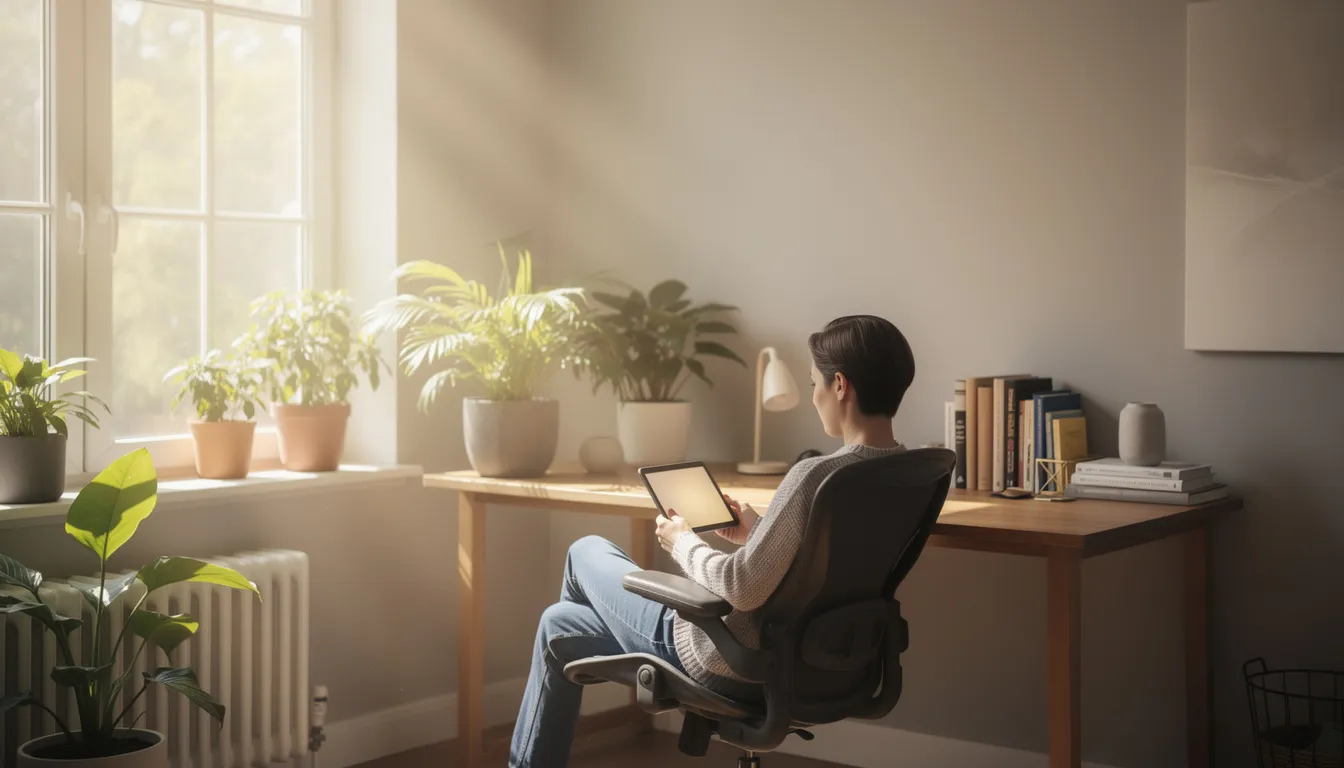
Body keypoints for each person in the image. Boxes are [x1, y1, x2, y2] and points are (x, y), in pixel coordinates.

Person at [509, 315, 916, 768]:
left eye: (815, 383)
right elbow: (823, 563)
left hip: (727, 656)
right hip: (820, 666)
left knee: (584, 550)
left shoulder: (815, 475)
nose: (815, 396)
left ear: (840, 385)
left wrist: (682, 541)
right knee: (559, 622)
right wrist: (758, 530)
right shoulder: (908, 473)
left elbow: (742, 586)